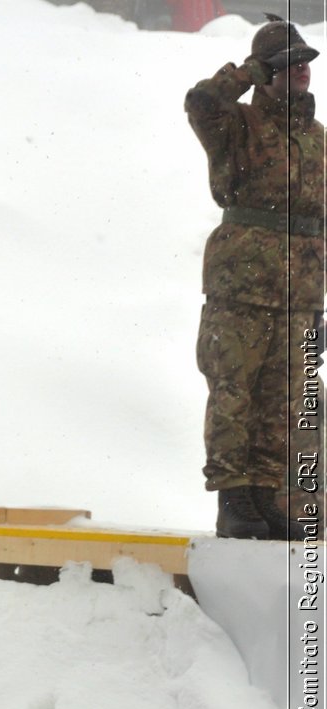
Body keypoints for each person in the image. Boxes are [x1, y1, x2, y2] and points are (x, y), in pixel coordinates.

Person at [185, 14, 325, 540]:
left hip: (301, 295)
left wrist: (319, 308)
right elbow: (202, 101)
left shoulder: (319, 142)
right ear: (266, 72)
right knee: (233, 391)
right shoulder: (237, 126)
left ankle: (266, 495)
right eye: (287, 65)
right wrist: (248, 71)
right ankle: (233, 498)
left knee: (282, 401)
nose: (301, 72)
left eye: (306, 62)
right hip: (241, 287)